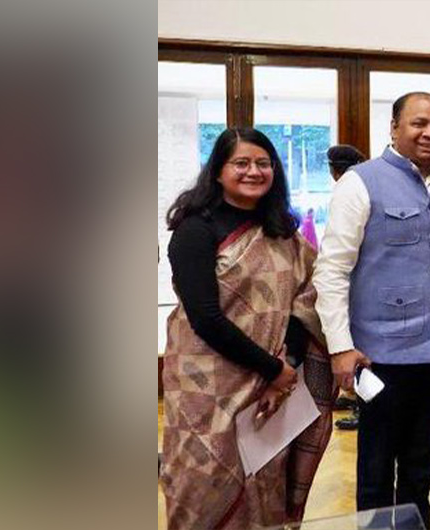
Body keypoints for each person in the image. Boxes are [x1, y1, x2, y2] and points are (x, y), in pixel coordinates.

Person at [312, 92, 430, 526]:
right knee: (375, 469)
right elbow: (331, 271)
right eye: (418, 123)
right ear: (393, 128)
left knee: (422, 466)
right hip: (379, 356)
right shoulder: (360, 182)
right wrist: (340, 348)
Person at [160, 127, 334, 529]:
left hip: (269, 387)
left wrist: (284, 368)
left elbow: (303, 306)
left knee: (264, 479)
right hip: (205, 388)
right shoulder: (194, 230)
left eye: (262, 163)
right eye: (241, 163)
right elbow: (205, 318)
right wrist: (273, 370)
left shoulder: (283, 234)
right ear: (218, 171)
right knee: (200, 484)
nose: (253, 171)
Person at [324, 143, 368, 430]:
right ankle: (355, 400)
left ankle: (361, 408)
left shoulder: (354, 187)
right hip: (350, 290)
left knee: (361, 355)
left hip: (361, 292)